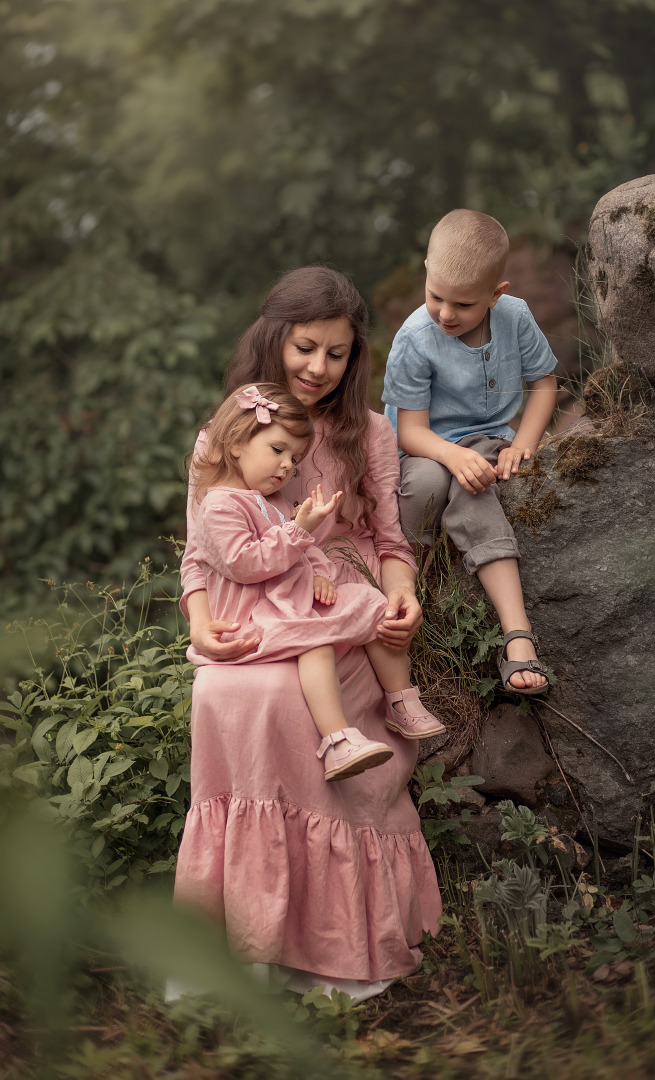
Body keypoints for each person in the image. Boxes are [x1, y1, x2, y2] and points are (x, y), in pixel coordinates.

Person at [173, 267, 442, 1002]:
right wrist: (201, 624)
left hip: (337, 596)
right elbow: (198, 557)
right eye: (305, 348)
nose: (319, 368)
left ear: (355, 359)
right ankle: (243, 950)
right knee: (233, 694)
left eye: (336, 354)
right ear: (274, 339)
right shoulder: (226, 433)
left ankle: (328, 950)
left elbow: (390, 541)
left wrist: (403, 595)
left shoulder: (369, 433)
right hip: (251, 608)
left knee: (292, 698)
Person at [188, 381, 445, 782]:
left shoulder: (273, 502)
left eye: (295, 458)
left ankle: (401, 701)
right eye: (278, 451)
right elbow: (244, 563)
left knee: (371, 603)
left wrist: (322, 576)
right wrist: (298, 529)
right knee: (317, 644)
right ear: (236, 444)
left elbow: (310, 553)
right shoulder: (220, 504)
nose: (288, 466)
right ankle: (338, 740)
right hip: (253, 614)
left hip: (291, 600)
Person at [382, 209, 558, 695]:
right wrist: (454, 457)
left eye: (462, 304)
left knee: (473, 484)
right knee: (434, 480)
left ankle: (516, 634)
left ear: (496, 294)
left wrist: (522, 443)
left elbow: (544, 383)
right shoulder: (415, 339)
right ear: (425, 271)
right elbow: (409, 432)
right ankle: (404, 585)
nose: (444, 313)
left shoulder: (515, 317)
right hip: (423, 447)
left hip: (487, 438)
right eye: (435, 296)